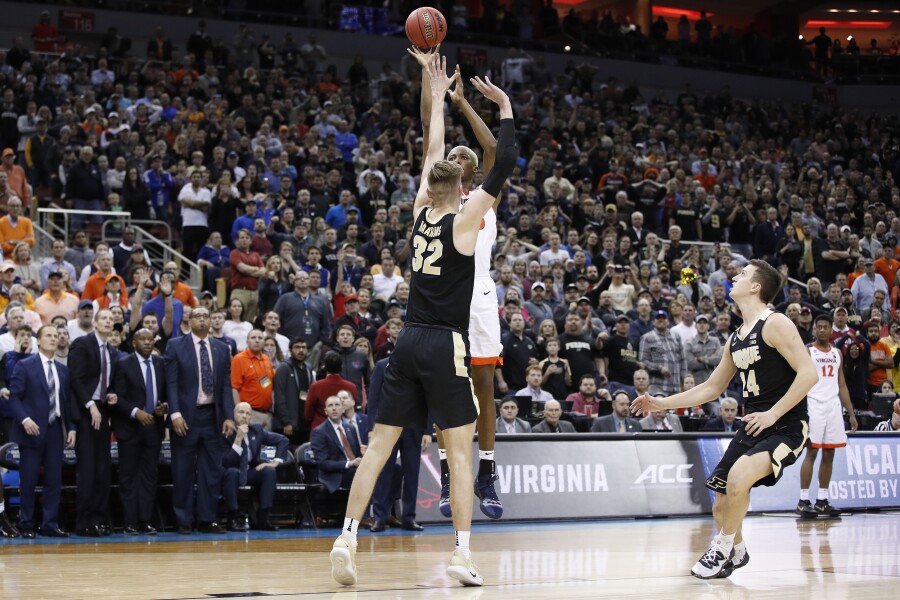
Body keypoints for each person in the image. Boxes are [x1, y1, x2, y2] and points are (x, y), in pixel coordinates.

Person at [330, 52, 516, 589]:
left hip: (405, 340)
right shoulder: (466, 221)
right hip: (445, 344)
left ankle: (346, 536)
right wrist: (503, 111)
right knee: (459, 456)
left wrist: (435, 95)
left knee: (379, 445)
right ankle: (461, 553)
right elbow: (502, 164)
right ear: (461, 190)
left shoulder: (419, 212)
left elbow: (432, 149)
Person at [631, 260, 817, 579]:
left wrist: (774, 412)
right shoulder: (736, 338)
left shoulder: (776, 323)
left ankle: (721, 547)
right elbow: (711, 387)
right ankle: (738, 551)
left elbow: (809, 373)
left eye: (743, 274)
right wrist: (660, 402)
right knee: (720, 503)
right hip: (753, 426)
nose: (735, 276)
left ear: (756, 287)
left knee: (738, 477)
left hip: (786, 425)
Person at [164, 306, 235, 534]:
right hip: (185, 417)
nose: (202, 320)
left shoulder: (222, 349)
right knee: (182, 470)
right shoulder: (175, 345)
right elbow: (171, 383)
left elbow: (225, 385)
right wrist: (174, 413)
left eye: (206, 316)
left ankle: (207, 519)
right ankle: (183, 519)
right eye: (198, 316)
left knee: (211, 471)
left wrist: (228, 416)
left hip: (213, 416)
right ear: (190, 320)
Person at [7, 325, 75, 538]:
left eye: (56, 336)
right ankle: (26, 523)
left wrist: (71, 428)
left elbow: (67, 403)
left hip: (55, 430)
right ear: (38, 340)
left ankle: (49, 524)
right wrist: (25, 419)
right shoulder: (24, 365)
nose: (53, 339)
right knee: (28, 480)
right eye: (49, 335)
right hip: (31, 431)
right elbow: (15, 397)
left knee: (54, 480)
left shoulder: (63, 370)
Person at [797, 314, 858, 518]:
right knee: (812, 452)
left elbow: (841, 385)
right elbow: (799, 381)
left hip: (833, 406)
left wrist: (851, 412)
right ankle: (803, 499)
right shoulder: (808, 351)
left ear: (831, 330)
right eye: (819, 327)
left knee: (830, 453)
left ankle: (822, 500)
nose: (822, 330)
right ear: (814, 329)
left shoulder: (838, 353)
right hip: (813, 404)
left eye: (825, 327)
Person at [110, 328, 167, 535]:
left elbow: (165, 394)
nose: (147, 342)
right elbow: (116, 396)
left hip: (153, 428)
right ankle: (130, 522)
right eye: (142, 339)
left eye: (150, 339)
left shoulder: (161, 363)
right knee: (128, 477)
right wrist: (136, 412)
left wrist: (164, 408)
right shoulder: (123, 364)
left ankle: (145, 520)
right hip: (129, 429)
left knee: (149, 476)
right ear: (133, 343)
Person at [69, 308, 118, 537]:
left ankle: (99, 518)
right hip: (85, 414)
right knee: (87, 470)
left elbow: (110, 382)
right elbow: (75, 380)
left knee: (102, 469)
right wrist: (90, 404)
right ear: (96, 323)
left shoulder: (113, 351)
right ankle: (84, 522)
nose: (109, 322)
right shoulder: (82, 344)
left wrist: (111, 395)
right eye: (105, 319)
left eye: (111, 319)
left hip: (103, 412)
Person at [367, 357, 428, 532]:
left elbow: (428, 397)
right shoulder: (381, 365)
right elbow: (374, 397)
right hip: (387, 426)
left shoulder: (420, 364)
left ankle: (409, 518)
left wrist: (427, 431)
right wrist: (372, 427)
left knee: (412, 475)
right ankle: (379, 518)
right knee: (384, 473)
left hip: (413, 427)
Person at [221, 402, 288, 531]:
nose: (244, 416)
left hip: (248, 472)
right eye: (241, 412)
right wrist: (238, 439)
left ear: (251, 418)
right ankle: (233, 518)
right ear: (233, 415)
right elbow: (227, 462)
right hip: (229, 473)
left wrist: (274, 462)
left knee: (269, 471)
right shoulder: (226, 430)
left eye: (248, 413)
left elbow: (283, 440)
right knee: (232, 472)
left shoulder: (256, 430)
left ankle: (263, 518)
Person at [311, 395, 363, 494]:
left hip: (353, 470)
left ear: (343, 409)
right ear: (326, 411)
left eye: (337, 405)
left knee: (392, 469)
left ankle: (389, 507)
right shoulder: (319, 432)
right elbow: (323, 464)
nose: (334, 408)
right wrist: (349, 464)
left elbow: (356, 455)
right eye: (330, 406)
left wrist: (363, 455)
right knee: (360, 475)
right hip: (335, 475)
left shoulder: (350, 428)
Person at [231, 329, 276, 430]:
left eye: (260, 338)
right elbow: (234, 388)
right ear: (247, 342)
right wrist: (240, 413)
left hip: (267, 413)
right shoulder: (239, 359)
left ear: (263, 342)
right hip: (250, 413)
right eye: (253, 338)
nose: (257, 340)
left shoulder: (266, 359)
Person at [273, 337, 315, 444]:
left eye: (303, 347)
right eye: (297, 347)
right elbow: (279, 396)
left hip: (304, 423)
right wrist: (286, 422)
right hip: (287, 424)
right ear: (290, 350)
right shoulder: (284, 368)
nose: (301, 350)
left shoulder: (308, 368)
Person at [305, 351, 358, 430]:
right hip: (344, 429)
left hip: (319, 427)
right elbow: (352, 409)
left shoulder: (315, 387)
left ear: (325, 367)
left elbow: (308, 413)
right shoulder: (351, 387)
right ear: (341, 367)